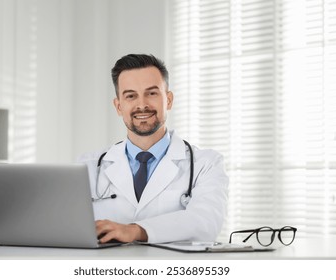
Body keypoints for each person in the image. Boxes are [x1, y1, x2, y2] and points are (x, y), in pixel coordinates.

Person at [78, 54, 228, 244]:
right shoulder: (88, 167)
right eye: (131, 96)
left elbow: (206, 223)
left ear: (169, 100)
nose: (142, 105)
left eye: (151, 93)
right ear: (118, 106)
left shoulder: (206, 164)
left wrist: (136, 231)